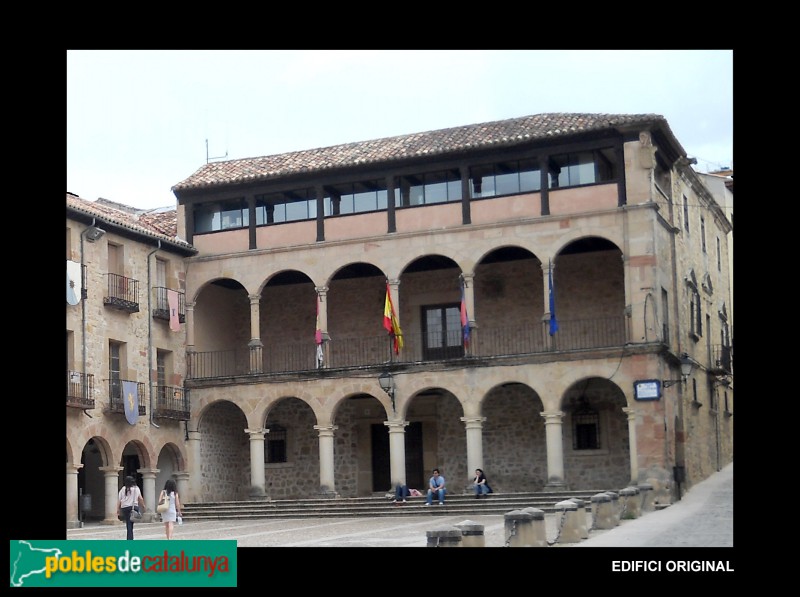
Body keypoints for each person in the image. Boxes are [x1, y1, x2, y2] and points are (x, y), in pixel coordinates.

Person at [116, 475, 145, 540]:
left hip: (125, 508)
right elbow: (140, 498)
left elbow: (119, 500)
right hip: (134, 507)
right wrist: (143, 506)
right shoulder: (136, 488)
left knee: (128, 522)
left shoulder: (123, 489)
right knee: (131, 523)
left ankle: (129, 537)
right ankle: (130, 537)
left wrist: (117, 509)